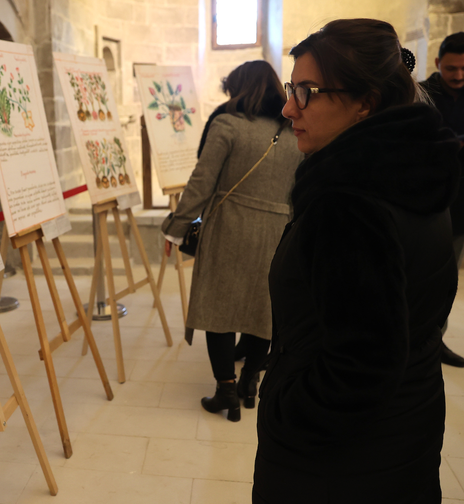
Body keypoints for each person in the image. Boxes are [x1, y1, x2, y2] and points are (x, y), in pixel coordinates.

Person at [254, 19, 460, 503]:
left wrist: (286, 409)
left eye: (307, 92)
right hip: (405, 433)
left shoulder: (347, 204)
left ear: (366, 101)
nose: (288, 108)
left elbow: (361, 366)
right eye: (291, 88)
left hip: (335, 465)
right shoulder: (415, 170)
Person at [161, 60, 302, 422]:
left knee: (218, 310)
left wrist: (175, 227)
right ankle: (250, 382)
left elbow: (201, 184)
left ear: (238, 89)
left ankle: (226, 390)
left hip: (228, 227)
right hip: (277, 231)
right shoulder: (294, 133)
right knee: (262, 310)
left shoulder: (227, 125)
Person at [421, 32, 464, 367]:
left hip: (463, 204)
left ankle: (436, 341)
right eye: (451, 68)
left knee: (449, 282)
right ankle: (421, 342)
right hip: (432, 203)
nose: (459, 75)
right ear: (438, 63)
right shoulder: (422, 94)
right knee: (429, 279)